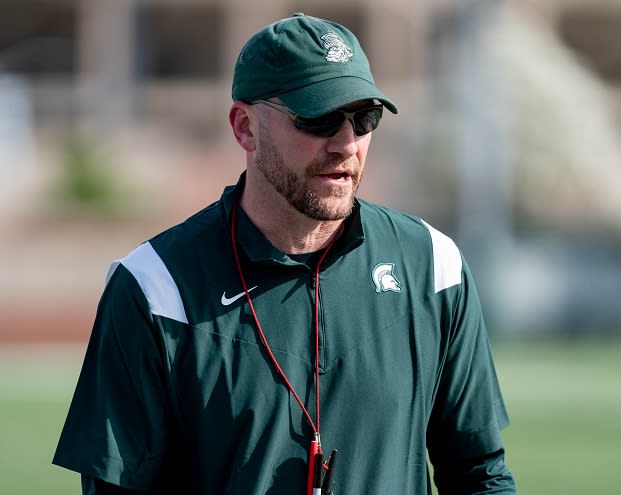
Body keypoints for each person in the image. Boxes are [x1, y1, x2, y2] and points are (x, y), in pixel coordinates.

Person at [53, 13, 516, 495]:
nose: (346, 143)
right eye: (317, 118)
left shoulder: (433, 266)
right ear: (245, 128)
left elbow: (479, 473)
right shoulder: (155, 288)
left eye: (364, 118)